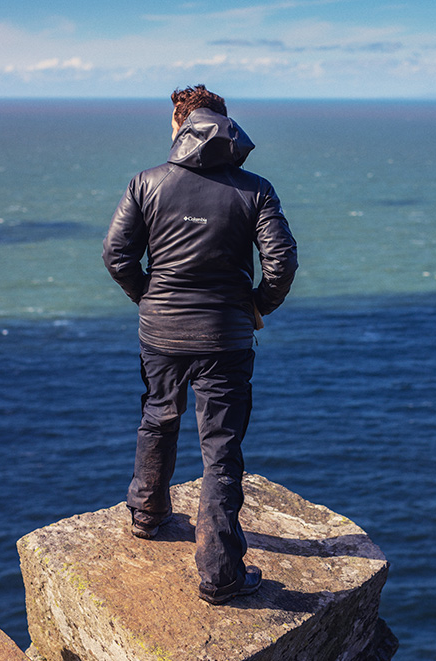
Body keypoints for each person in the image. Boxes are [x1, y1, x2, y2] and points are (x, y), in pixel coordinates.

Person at [102, 85, 298, 605]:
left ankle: (148, 515)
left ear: (178, 123)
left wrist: (150, 296)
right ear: (224, 125)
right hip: (226, 337)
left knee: (158, 415)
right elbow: (282, 264)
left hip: (160, 330)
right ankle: (219, 575)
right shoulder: (255, 189)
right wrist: (257, 305)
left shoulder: (147, 183)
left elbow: (116, 255)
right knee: (220, 450)